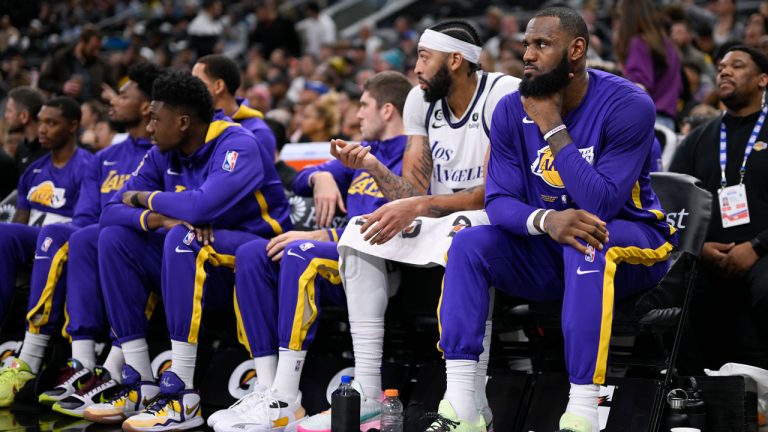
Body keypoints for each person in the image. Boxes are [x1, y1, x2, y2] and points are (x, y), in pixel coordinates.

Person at [431, 7, 676, 432]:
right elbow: (499, 201)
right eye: (526, 44)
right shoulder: (509, 110)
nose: (528, 55)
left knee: (587, 241)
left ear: (576, 50)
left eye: (541, 44)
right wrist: (546, 220)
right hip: (553, 243)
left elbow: (600, 204)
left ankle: (583, 411)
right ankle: (463, 407)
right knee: (469, 244)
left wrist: (552, 125)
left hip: (634, 239)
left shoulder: (628, 104)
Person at [308, 20, 520, 431]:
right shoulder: (421, 102)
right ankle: (369, 390)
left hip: (493, 213)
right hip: (438, 213)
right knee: (357, 232)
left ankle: (473, 401)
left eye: (425, 56)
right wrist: (371, 165)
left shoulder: (503, 94)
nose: (416, 66)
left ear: (456, 60)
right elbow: (412, 189)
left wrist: (419, 204)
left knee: (469, 236)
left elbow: (496, 191)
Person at [83, 70, 291, 431]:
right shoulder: (164, 152)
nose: (148, 128)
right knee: (113, 237)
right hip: (197, 253)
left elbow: (200, 209)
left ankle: (182, 393)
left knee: (183, 238)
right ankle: (139, 381)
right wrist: (161, 219)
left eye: (154, 119)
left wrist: (146, 201)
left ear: (182, 122)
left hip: (257, 255)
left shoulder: (237, 144)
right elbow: (111, 209)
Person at [207, 71, 412, 432]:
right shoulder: (365, 151)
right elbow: (299, 178)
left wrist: (325, 232)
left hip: (380, 266)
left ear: (388, 109)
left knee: (301, 250)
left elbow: (396, 219)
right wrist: (324, 177)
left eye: (364, 106)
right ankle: (268, 387)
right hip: (339, 258)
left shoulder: (407, 155)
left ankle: (287, 397)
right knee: (255, 253)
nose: (358, 115)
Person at [0, 63, 163, 416]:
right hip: (95, 237)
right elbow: (88, 215)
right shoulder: (104, 158)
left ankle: (108, 367)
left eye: (123, 95)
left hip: (136, 244)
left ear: (148, 105)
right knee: (68, 234)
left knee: (105, 239)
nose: (113, 102)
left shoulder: (162, 153)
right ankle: (80, 364)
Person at [669, 45, 768, 371]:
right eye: (722, 66)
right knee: (671, 290)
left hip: (763, 253)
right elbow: (673, 204)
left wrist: (755, 247)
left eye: (737, 65)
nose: (724, 71)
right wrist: (699, 247)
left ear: (762, 80)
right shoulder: (698, 139)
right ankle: (695, 390)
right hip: (706, 256)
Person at [0, 97, 95, 367]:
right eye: (41, 122)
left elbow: (85, 222)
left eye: (51, 123)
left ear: (72, 126)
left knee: (50, 233)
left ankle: (34, 352)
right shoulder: (32, 171)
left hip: (64, 244)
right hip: (36, 243)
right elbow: (19, 224)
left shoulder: (87, 167)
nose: (42, 129)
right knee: (2, 234)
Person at [614, 0, 683, 131]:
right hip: (667, 123)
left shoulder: (639, 43)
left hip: (648, 122)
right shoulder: (668, 45)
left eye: (620, 17)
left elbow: (638, 86)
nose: (618, 24)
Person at [192, 54, 277, 157]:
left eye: (197, 82)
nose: (191, 88)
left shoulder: (258, 132)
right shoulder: (195, 125)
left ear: (219, 86)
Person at [38, 24, 115, 102]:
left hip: (93, 110)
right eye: (93, 48)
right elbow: (43, 81)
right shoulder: (62, 57)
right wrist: (62, 87)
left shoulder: (101, 63)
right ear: (82, 42)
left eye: (98, 48)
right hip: (68, 108)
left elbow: (112, 86)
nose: (96, 53)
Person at [4, 86, 46, 174]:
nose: (5, 116)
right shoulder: (21, 148)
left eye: (9, 111)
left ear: (24, 116)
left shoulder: (51, 151)